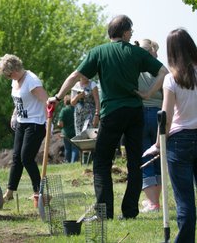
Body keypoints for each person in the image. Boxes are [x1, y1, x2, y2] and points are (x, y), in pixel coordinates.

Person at [48, 15, 168, 220]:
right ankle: (130, 212)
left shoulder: (98, 52)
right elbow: (163, 71)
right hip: (134, 112)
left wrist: (58, 97)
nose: (132, 34)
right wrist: (147, 94)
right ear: (125, 32)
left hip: (112, 113)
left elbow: (75, 76)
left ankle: (104, 213)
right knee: (134, 163)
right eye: (131, 30)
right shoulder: (136, 52)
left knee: (101, 162)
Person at [144, 28, 197, 242]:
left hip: (180, 141)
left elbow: (165, 116)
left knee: (184, 199)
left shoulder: (171, 79)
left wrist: (158, 143)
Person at [0, 54, 49, 206]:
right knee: (17, 158)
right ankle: (10, 192)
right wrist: (14, 115)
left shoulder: (32, 81)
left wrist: (48, 124)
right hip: (21, 123)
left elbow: (47, 101)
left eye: (8, 74)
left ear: (15, 69)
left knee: (27, 158)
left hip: (35, 124)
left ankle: (39, 193)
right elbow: (19, 101)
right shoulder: (15, 80)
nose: (7, 77)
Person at [135, 39, 162, 213]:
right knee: (158, 156)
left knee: (145, 157)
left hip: (142, 114)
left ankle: (152, 203)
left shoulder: (135, 67)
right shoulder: (160, 69)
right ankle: (155, 201)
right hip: (161, 115)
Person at [58, 95, 79, 163]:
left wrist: (59, 125)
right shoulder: (76, 109)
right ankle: (74, 163)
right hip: (75, 132)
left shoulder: (64, 110)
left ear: (65, 102)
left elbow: (60, 123)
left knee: (67, 149)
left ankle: (68, 162)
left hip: (66, 133)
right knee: (75, 148)